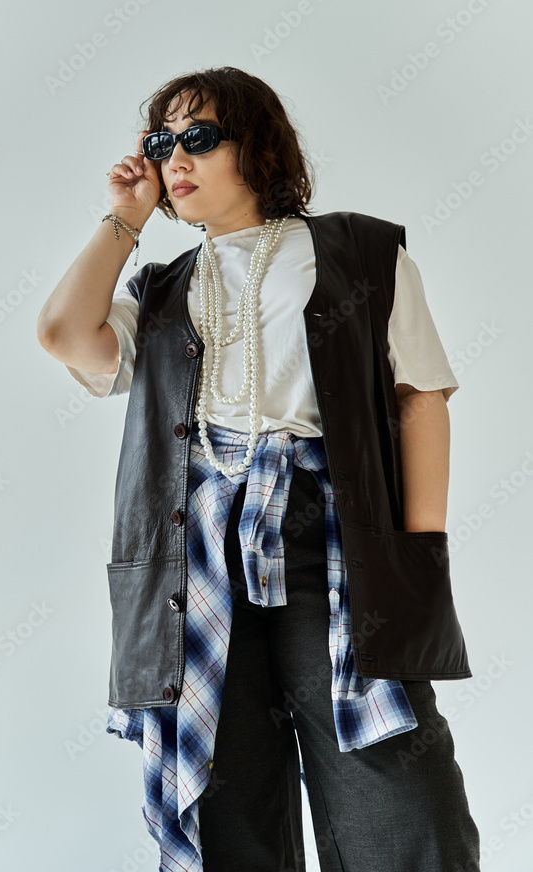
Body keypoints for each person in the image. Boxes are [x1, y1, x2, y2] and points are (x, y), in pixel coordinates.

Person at [37, 67, 481, 871]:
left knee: (394, 791)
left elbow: (419, 397)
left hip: (331, 545)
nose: (175, 158)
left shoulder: (360, 251)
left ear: (260, 146)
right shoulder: (161, 288)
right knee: (223, 794)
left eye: (199, 138)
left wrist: (416, 557)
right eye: (162, 143)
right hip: (195, 559)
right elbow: (64, 334)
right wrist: (126, 218)